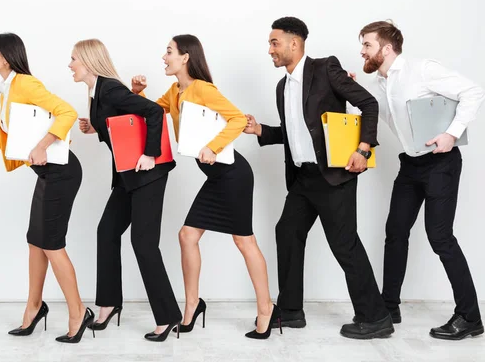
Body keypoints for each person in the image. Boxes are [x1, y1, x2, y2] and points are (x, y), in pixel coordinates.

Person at [244, 17, 394, 339]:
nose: (269, 49)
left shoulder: (325, 69)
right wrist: (261, 131)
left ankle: (375, 317)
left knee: (344, 244)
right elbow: (296, 133)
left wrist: (364, 149)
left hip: (334, 176)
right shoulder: (282, 86)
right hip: (303, 178)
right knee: (287, 232)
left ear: (293, 44)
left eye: (274, 42)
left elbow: (367, 103)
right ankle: (291, 311)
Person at [0, 33, 94, 343]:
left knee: (51, 243)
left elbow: (66, 112)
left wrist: (42, 144)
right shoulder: (6, 91)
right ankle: (34, 308)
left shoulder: (25, 84)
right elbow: (0, 140)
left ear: (6, 57)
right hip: (46, 174)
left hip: (62, 172)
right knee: (35, 241)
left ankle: (79, 313)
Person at [130, 34, 281, 339]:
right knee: (187, 236)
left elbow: (237, 119)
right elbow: (152, 114)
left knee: (244, 242)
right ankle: (192, 305)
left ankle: (267, 309)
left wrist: (213, 147)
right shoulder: (175, 91)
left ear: (186, 57)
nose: (164, 57)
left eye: (169, 51)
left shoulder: (202, 89)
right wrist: (139, 92)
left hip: (233, 175)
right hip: (216, 178)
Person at [358, 20, 484, 340]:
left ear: (386, 49)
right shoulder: (382, 85)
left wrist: (451, 134)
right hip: (410, 165)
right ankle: (389, 306)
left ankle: (470, 317)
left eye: (367, 45)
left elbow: (472, 91)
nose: (362, 51)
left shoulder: (422, 70)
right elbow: (383, 121)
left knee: (439, 237)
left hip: (441, 163)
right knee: (395, 232)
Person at [73, 39, 182, 342]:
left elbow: (153, 113)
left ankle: (169, 316)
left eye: (73, 60)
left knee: (143, 244)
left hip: (148, 174)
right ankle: (108, 303)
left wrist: (149, 154)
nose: (70, 65)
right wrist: (94, 128)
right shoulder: (97, 93)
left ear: (88, 61)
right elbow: (120, 121)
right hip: (126, 176)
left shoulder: (110, 88)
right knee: (106, 232)